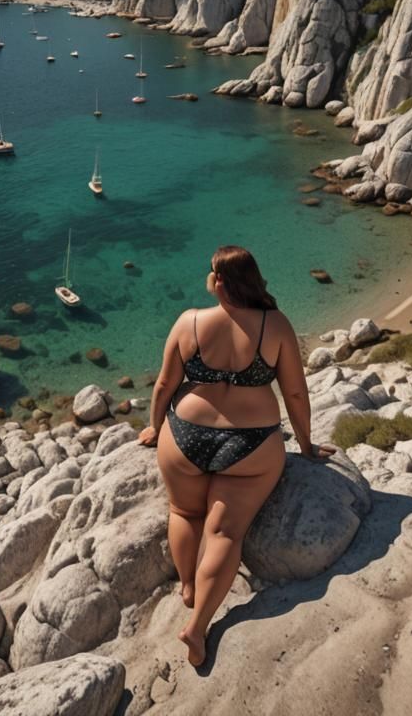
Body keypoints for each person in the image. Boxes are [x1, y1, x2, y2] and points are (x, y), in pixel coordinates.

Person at [137, 245, 336, 667]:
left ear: (219, 282)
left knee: (184, 512)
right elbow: (294, 393)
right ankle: (197, 628)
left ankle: (189, 587)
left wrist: (155, 428)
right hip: (251, 444)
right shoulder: (274, 325)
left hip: (185, 436)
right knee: (226, 534)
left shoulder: (189, 321)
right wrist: (305, 445)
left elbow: (165, 385)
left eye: (211, 272)